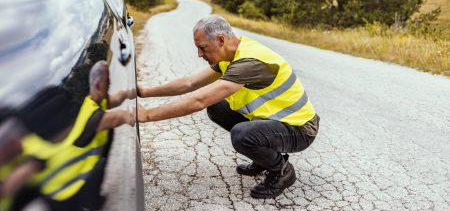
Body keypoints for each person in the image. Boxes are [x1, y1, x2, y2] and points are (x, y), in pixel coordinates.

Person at [137, 15, 319, 199]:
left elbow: (199, 101)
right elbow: (190, 83)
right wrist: (145, 92)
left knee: (242, 135)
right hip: (276, 122)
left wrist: (147, 115)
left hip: (300, 129)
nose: (199, 54)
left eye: (202, 48)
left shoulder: (248, 62)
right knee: (217, 107)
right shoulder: (231, 53)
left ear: (221, 40)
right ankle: (263, 159)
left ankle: (282, 170)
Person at [0, 61, 135, 211]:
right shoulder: (28, 150)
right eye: (5, 138)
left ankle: (92, 201)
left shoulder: (31, 143)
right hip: (62, 196)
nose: (12, 140)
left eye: (11, 133)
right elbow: (19, 176)